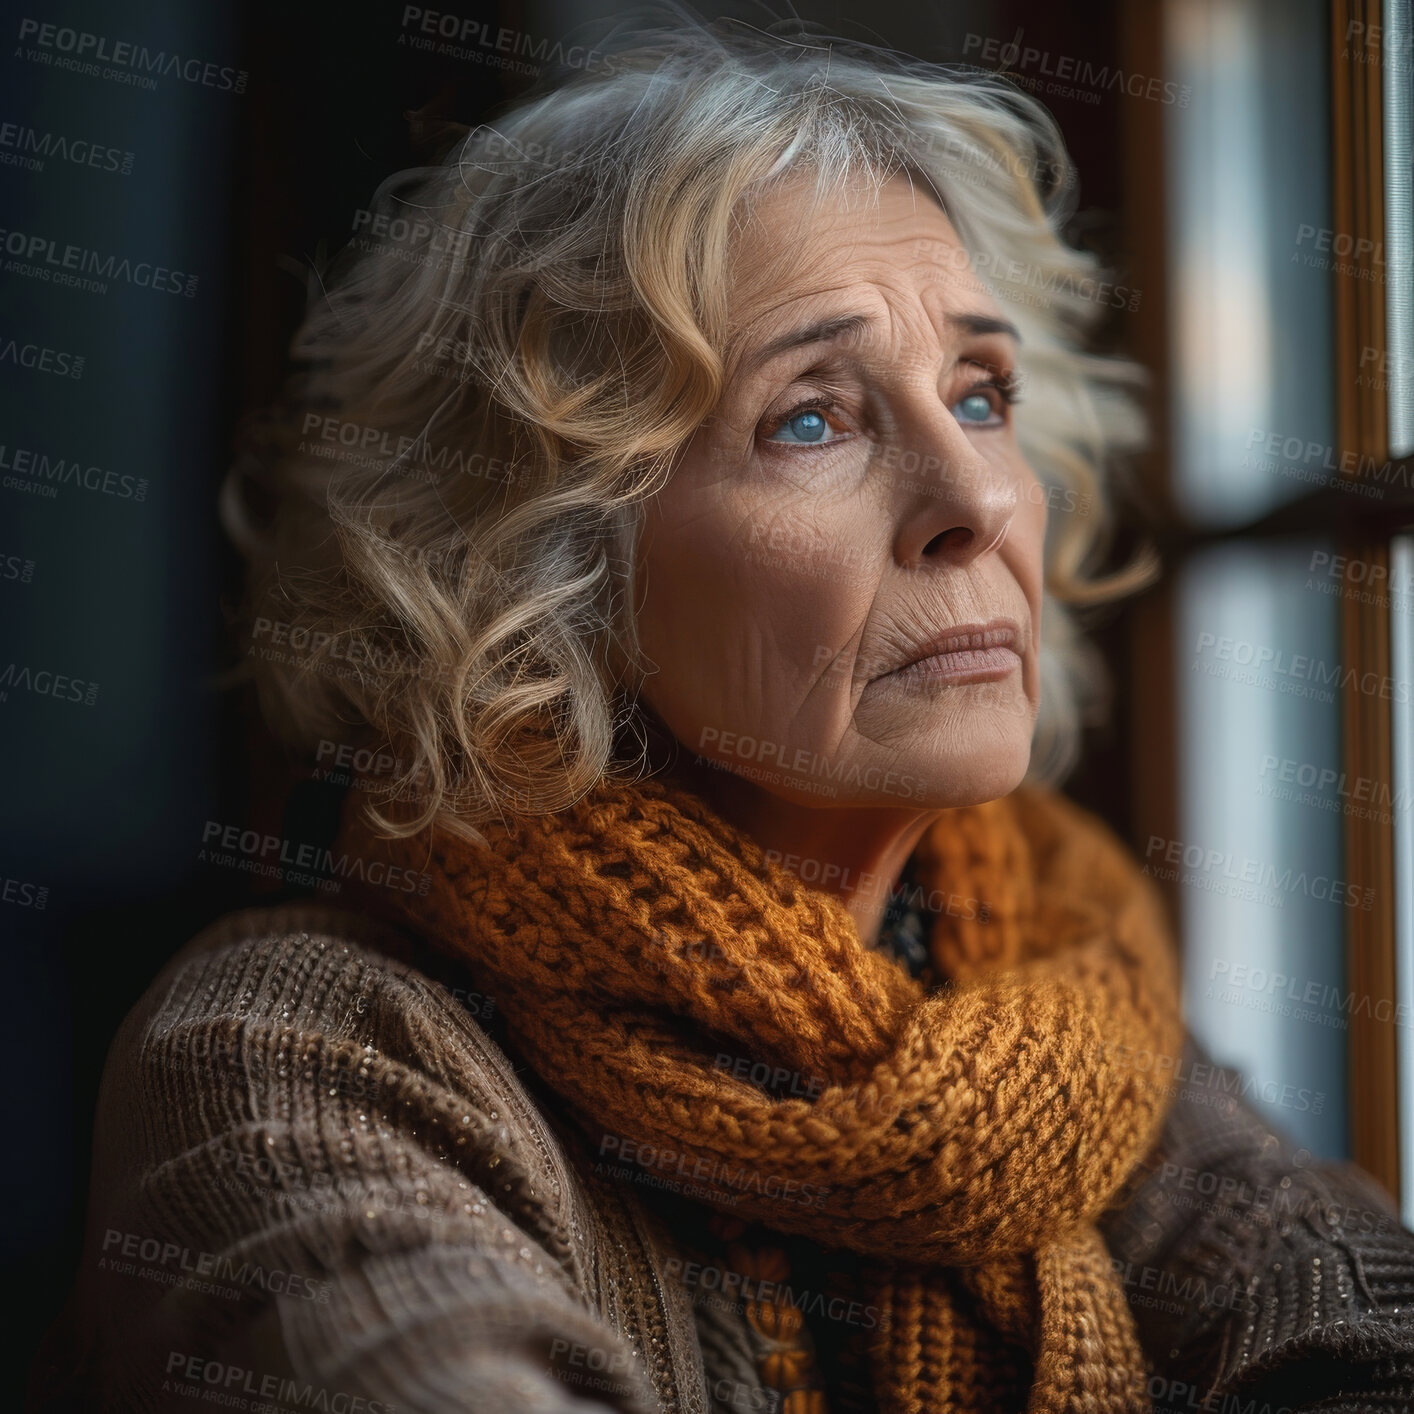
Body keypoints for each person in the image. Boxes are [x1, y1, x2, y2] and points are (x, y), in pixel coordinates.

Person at [30, 14, 1414, 1413]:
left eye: (979, 393)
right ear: (552, 559)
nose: (979, 501)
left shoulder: (1076, 1011)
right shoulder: (294, 1049)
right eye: (811, 417)